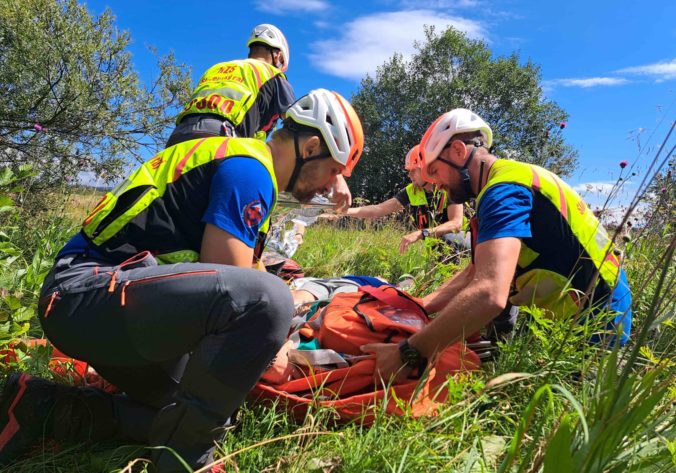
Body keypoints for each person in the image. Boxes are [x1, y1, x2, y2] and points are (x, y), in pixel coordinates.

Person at [0, 89, 364, 472]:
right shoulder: (249, 169)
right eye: (335, 171)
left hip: (103, 304)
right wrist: (280, 346)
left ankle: (41, 407)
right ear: (310, 147)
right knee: (269, 301)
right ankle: (184, 463)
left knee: (202, 404)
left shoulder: (245, 162)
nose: (330, 186)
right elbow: (244, 292)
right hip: (81, 294)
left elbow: (231, 278)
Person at [362, 108, 633, 381]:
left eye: (434, 170)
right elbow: (475, 272)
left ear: (457, 150)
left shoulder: (504, 191)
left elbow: (489, 292)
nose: (434, 183)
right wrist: (420, 305)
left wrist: (410, 352)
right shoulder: (508, 178)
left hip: (597, 326)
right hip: (580, 310)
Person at [166, 23, 295, 147]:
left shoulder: (216, 68)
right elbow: (295, 120)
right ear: (278, 55)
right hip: (222, 136)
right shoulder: (272, 74)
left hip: (178, 137)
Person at [335, 145, 466, 254]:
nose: (409, 175)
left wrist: (421, 234)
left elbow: (456, 223)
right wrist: (343, 211)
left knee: (446, 238)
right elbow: (378, 209)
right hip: (436, 245)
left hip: (465, 240)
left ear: (426, 168)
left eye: (413, 170)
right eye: (408, 171)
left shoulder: (448, 186)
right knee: (438, 242)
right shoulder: (412, 191)